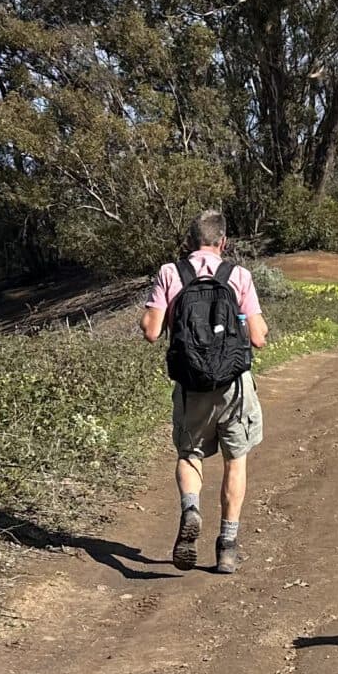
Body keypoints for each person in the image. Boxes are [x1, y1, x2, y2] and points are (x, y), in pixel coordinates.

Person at [140, 209, 269, 573]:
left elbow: (151, 331)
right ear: (223, 242)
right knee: (236, 459)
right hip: (234, 384)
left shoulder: (171, 273)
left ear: (188, 241)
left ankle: (191, 508)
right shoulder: (238, 275)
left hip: (190, 384)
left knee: (189, 452)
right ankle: (227, 547)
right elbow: (257, 338)